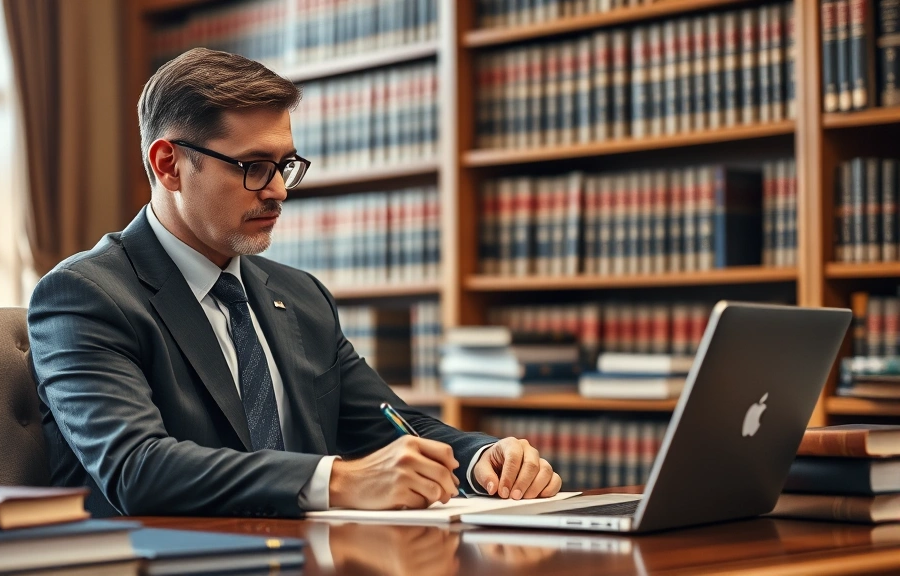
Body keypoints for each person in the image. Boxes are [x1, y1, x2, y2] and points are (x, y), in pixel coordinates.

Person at [28, 48, 562, 518]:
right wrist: (337, 480)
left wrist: (480, 459)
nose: (280, 191)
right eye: (255, 166)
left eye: (286, 165)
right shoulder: (85, 295)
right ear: (169, 164)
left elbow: (389, 426)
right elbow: (136, 469)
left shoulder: (302, 296)